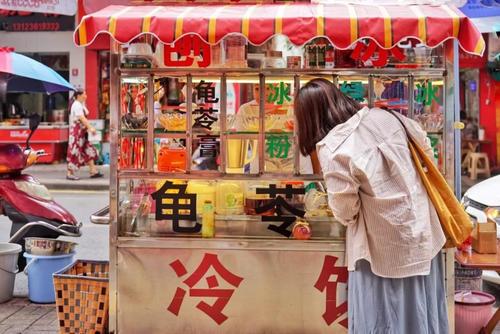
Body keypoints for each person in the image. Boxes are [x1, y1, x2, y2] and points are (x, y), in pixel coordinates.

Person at [294, 78, 448, 333]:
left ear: (310, 119)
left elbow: (345, 211)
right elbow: (426, 149)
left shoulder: (334, 147)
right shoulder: (385, 117)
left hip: (383, 253)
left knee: (384, 321)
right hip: (424, 237)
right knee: (421, 317)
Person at [66, 90, 103, 180]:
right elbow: (81, 118)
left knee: (88, 149)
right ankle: (69, 173)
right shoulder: (77, 105)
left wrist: (88, 128)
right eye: (84, 94)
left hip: (82, 132)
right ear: (79, 95)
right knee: (74, 151)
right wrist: (90, 127)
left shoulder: (81, 104)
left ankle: (93, 170)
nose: (86, 95)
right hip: (76, 133)